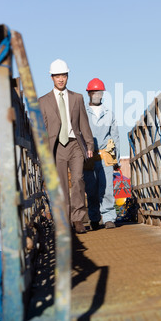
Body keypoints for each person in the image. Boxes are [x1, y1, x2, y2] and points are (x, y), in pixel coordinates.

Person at [38, 59, 94, 234]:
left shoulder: (77, 98)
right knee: (61, 185)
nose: (60, 79)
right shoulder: (43, 101)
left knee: (78, 179)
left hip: (75, 144)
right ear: (52, 78)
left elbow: (84, 123)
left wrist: (89, 144)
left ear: (67, 76)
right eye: (57, 76)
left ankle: (78, 219)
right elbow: (42, 129)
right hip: (56, 148)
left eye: (63, 75)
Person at [84, 78, 120, 230]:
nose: (97, 95)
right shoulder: (82, 113)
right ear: (89, 94)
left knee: (106, 190)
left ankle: (109, 218)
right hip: (89, 156)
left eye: (99, 92)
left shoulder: (109, 114)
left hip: (105, 155)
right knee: (91, 190)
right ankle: (93, 218)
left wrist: (116, 159)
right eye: (94, 92)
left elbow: (115, 136)